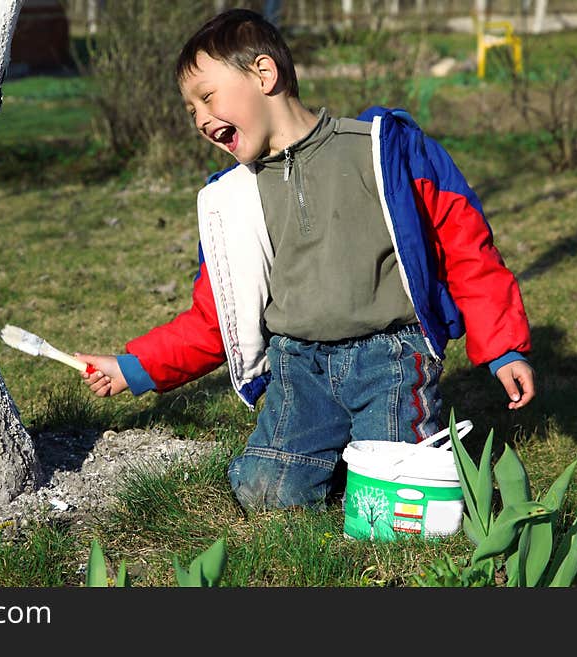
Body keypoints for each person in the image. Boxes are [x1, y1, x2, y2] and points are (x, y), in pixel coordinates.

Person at [75, 8, 535, 512]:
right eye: (191, 111)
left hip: (390, 360)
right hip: (300, 367)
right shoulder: (234, 202)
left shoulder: (382, 151)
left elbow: (469, 250)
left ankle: (362, 457)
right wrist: (133, 367)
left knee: (390, 501)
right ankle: (323, 455)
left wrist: (503, 349)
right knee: (266, 492)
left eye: (207, 97)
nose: (202, 119)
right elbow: (216, 318)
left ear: (264, 74)